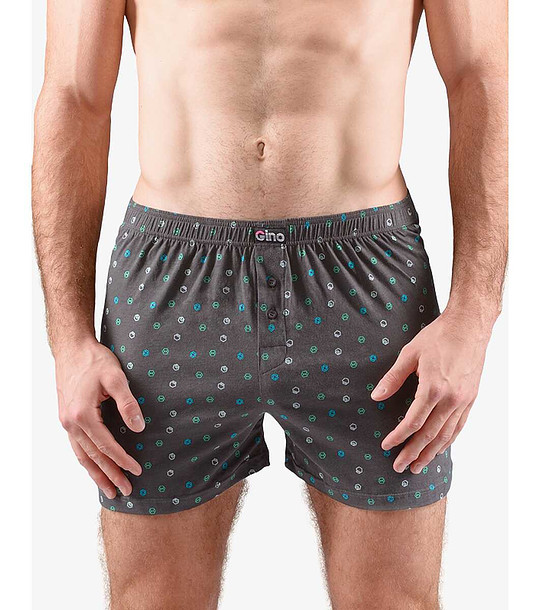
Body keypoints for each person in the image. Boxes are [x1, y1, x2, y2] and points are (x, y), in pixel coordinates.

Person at [32, 1, 507, 608]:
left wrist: (474, 315)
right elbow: (74, 96)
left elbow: (480, 78)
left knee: (395, 601)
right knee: (150, 600)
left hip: (366, 284)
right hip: (174, 284)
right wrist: (68, 338)